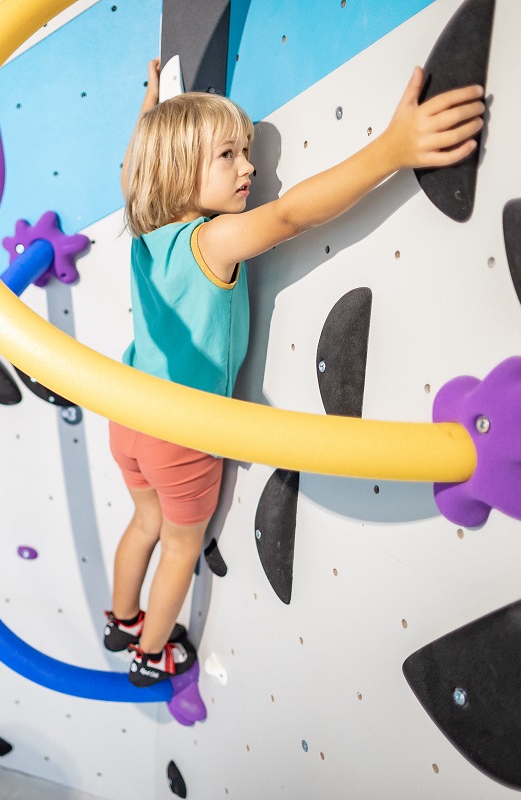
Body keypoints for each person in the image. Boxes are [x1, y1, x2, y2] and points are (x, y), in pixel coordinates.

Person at [105, 59, 484, 687]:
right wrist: (391, 149)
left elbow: (132, 170)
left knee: (144, 523)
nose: (249, 167)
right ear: (176, 170)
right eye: (228, 154)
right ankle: (150, 653)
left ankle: (121, 621)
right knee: (178, 544)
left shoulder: (148, 234)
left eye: (246, 150)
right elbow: (290, 217)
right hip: (179, 433)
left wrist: (151, 109)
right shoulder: (209, 241)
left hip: (128, 414)